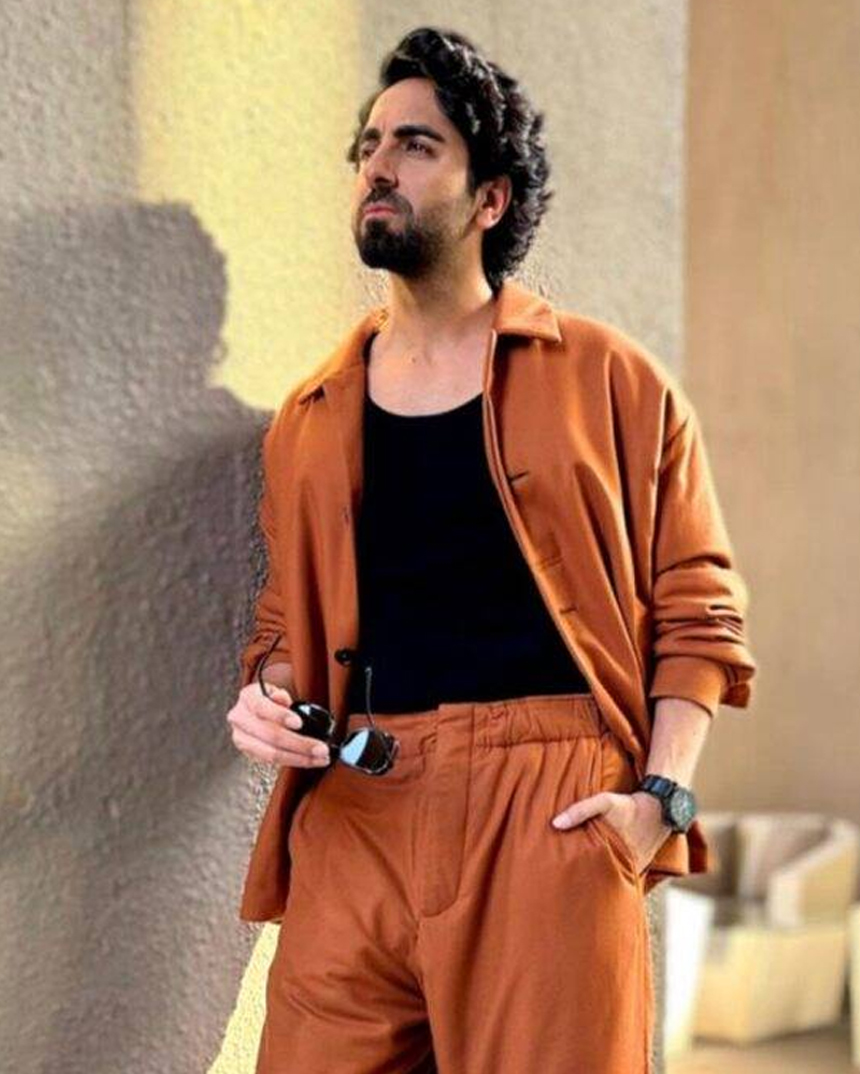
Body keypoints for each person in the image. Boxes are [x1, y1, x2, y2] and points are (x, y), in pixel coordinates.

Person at [225, 26, 757, 1074]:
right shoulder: (311, 417)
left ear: (491, 199)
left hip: (548, 804)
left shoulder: (609, 380)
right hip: (357, 807)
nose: (378, 165)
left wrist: (660, 800)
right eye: (369, 145)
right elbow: (287, 624)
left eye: (416, 145)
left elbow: (699, 607)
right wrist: (269, 698)